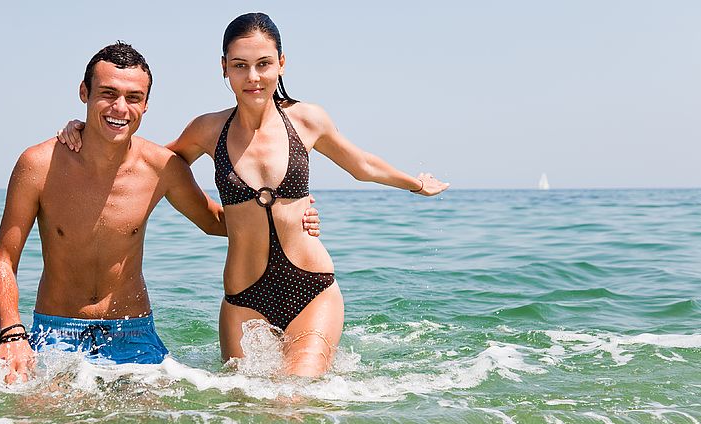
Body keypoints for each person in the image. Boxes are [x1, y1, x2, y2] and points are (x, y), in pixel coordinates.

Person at [59, 15, 448, 377]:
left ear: (280, 63)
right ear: (224, 67)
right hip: (244, 298)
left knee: (295, 396)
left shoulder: (307, 119)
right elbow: (147, 162)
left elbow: (361, 164)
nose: (253, 76)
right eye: (240, 65)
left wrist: (415, 183)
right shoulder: (208, 129)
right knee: (248, 407)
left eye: (263, 63)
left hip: (311, 287)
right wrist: (87, 129)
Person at [0, 41, 320, 384]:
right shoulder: (39, 165)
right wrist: (12, 333)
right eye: (107, 93)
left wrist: (286, 216)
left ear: (146, 105)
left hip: (134, 335)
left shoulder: (160, 168)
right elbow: (4, 260)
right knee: (36, 420)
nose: (120, 107)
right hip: (57, 334)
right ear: (84, 92)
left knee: (167, 419)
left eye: (133, 97)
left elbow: (217, 223)